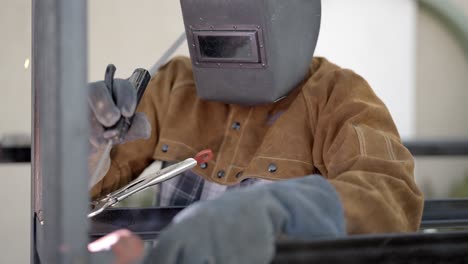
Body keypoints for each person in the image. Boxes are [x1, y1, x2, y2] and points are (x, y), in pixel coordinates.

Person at [87, 0, 424, 263]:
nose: (231, 59)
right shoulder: (176, 85)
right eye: (215, 44)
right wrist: (83, 148)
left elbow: (391, 194)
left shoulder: (336, 96)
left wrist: (281, 211)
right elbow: (84, 193)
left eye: (242, 44)